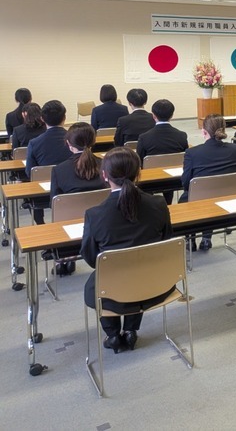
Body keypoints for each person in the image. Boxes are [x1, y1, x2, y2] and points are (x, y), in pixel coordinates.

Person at [80, 147, 172, 353]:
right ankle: (130, 330)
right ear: (138, 172)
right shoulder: (158, 203)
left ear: (104, 175)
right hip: (155, 285)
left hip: (112, 291)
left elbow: (91, 258)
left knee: (102, 279)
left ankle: (112, 334)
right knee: (138, 268)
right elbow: (166, 241)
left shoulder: (94, 215)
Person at [48, 122, 106, 275]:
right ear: (94, 141)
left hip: (70, 225)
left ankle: (65, 260)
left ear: (68, 144)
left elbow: (54, 205)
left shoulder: (59, 170)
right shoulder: (106, 165)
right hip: (103, 221)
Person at [180, 114, 236, 251]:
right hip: (227, 197)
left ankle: (190, 239)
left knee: (186, 198)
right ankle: (206, 238)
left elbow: (185, 182)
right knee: (211, 194)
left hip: (199, 199)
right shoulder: (235, 149)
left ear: (204, 132)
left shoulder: (192, 153)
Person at [26, 100, 73, 224]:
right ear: (64, 118)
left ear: (42, 119)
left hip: (43, 193)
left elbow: (30, 173)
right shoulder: (75, 139)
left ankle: (40, 224)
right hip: (72, 188)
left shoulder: (34, 143)